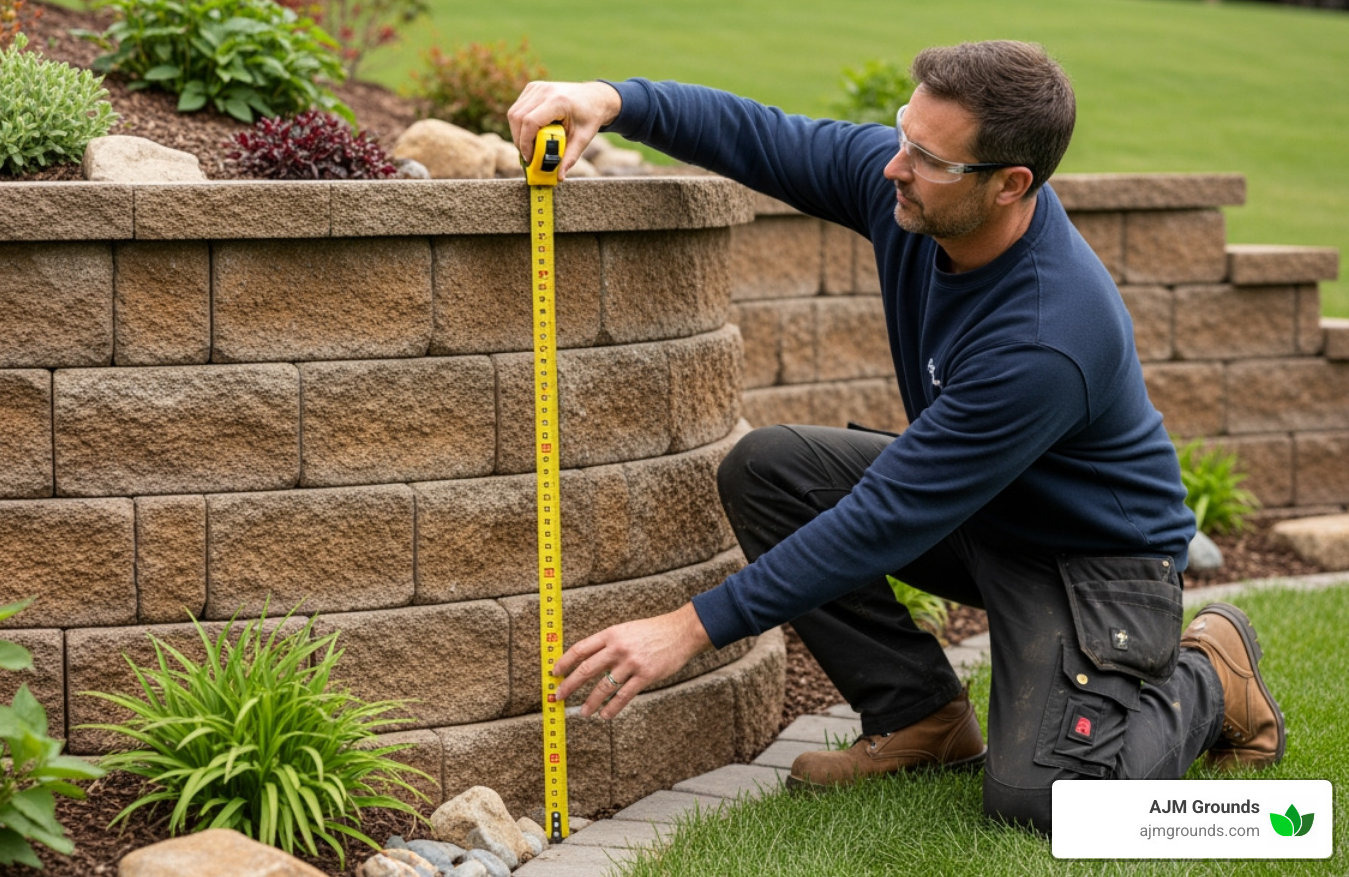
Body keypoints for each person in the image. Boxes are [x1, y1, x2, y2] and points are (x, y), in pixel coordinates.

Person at [505, 41, 1285, 833]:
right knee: (772, 470)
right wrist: (612, 98)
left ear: (1012, 182)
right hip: (988, 514)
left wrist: (688, 628)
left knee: (1050, 804)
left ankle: (1209, 673)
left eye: (927, 156)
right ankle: (919, 718)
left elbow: (885, 518)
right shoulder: (917, 188)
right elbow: (761, 135)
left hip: (1097, 568)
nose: (893, 166)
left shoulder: (1045, 339)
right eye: (902, 134)